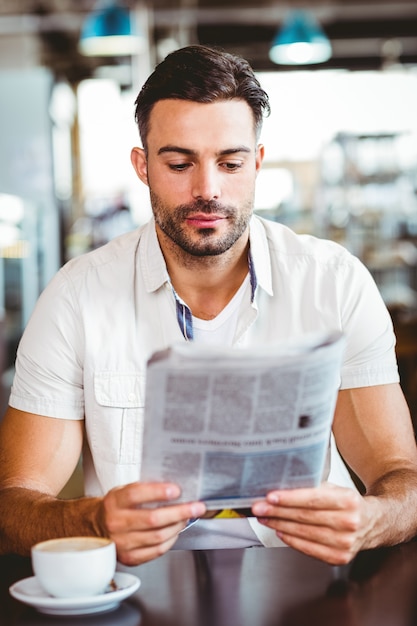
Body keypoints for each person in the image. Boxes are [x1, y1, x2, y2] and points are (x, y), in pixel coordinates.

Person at [1, 45, 417, 568]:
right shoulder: (76, 296)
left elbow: (402, 477)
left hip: (307, 582)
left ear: (258, 163)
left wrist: (372, 520)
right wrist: (94, 522)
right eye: (179, 163)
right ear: (143, 166)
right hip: (143, 588)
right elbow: (12, 505)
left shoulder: (333, 283)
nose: (207, 190)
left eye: (230, 162)